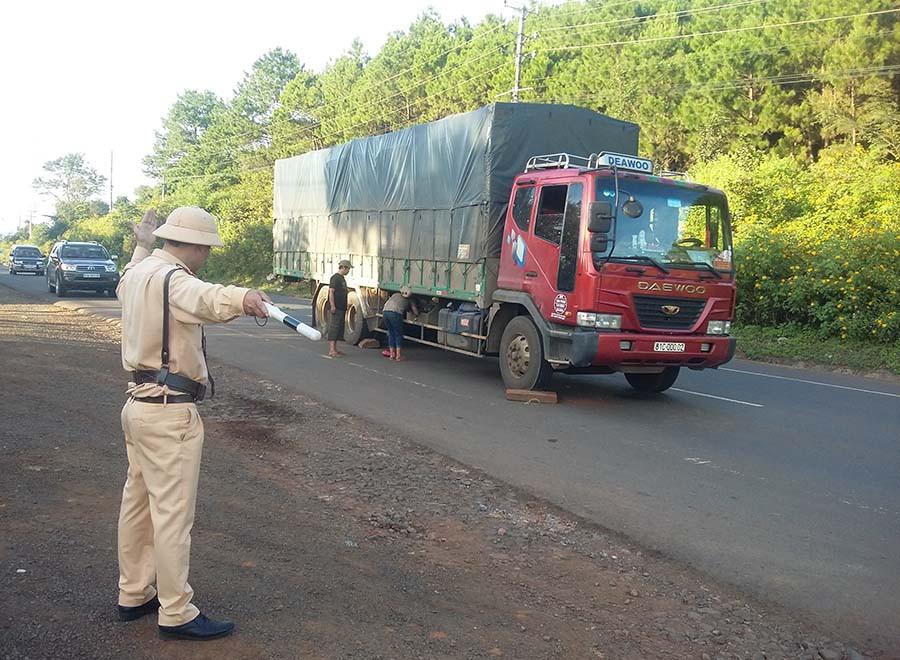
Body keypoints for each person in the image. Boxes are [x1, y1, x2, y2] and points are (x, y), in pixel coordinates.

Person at [115, 207, 271, 641]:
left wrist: (142, 244)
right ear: (198, 246)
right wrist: (244, 297)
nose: (207, 256)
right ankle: (176, 611)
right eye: (207, 248)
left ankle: (133, 593)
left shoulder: (138, 274)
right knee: (172, 516)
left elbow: (126, 277)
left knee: (138, 507)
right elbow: (207, 298)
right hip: (169, 413)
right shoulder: (174, 280)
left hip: (138, 407)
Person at [382, 285, 418, 361]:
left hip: (385, 312)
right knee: (398, 334)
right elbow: (415, 311)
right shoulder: (410, 299)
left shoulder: (395, 295)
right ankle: (398, 356)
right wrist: (417, 314)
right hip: (395, 314)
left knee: (391, 333)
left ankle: (392, 355)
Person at [327, 259, 352, 357]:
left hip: (342, 307)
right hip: (336, 307)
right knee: (334, 327)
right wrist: (332, 305)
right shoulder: (335, 278)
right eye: (348, 269)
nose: (348, 271)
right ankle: (331, 350)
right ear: (344, 267)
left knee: (339, 328)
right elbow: (331, 292)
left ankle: (335, 349)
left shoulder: (342, 278)